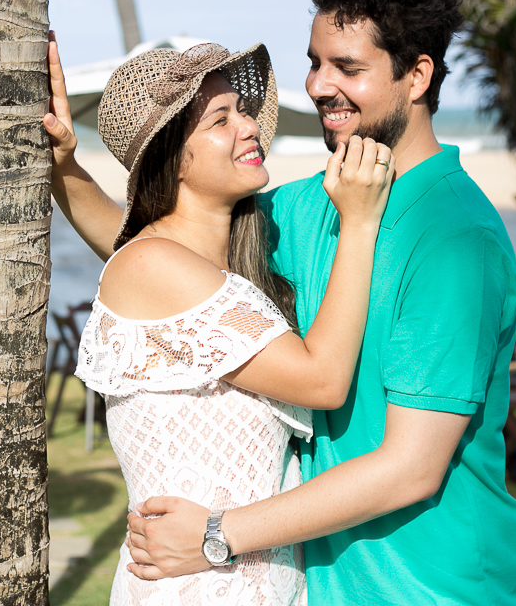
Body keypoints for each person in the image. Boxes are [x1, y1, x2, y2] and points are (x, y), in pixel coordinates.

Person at [47, 0, 516, 604]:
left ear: (417, 77)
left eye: (347, 68)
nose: (319, 85)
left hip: (424, 584)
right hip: (316, 583)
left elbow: (410, 468)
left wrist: (217, 534)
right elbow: (169, 256)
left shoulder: (454, 240)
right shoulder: (312, 206)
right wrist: (66, 169)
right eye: (314, 61)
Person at [45, 35, 394, 605]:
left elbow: (127, 241)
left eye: (244, 110)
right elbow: (323, 381)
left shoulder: (206, 267)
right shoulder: (155, 265)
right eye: (219, 119)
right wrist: (358, 223)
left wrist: (66, 169)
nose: (250, 126)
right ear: (173, 158)